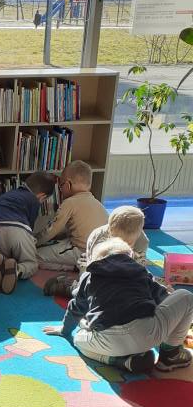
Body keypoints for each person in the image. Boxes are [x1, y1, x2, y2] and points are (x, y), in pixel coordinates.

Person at [43, 237, 193, 374]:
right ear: (130, 256)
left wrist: (65, 330)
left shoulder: (89, 276)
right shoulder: (140, 271)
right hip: (148, 335)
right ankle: (170, 355)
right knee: (186, 296)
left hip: (108, 341)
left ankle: (120, 361)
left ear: (96, 260)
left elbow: (76, 307)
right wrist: (177, 323)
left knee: (78, 339)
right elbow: (162, 298)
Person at [43, 203, 150, 297]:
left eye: (129, 242)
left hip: (124, 273)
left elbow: (138, 271)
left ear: (139, 232)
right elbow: (94, 269)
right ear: (110, 229)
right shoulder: (98, 236)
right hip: (95, 268)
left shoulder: (142, 241)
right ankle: (67, 287)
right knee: (88, 293)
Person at [0, 170, 57, 294]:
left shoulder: (7, 195)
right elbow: (29, 227)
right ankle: (17, 270)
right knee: (32, 263)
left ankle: (0, 262)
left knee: (5, 255)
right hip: (18, 230)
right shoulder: (34, 200)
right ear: (42, 196)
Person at [36, 160, 108, 271]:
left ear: (68, 185)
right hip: (103, 252)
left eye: (61, 186)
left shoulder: (70, 203)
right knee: (60, 242)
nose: (60, 190)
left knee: (35, 255)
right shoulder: (98, 203)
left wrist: (34, 242)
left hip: (82, 251)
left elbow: (51, 231)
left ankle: (76, 266)